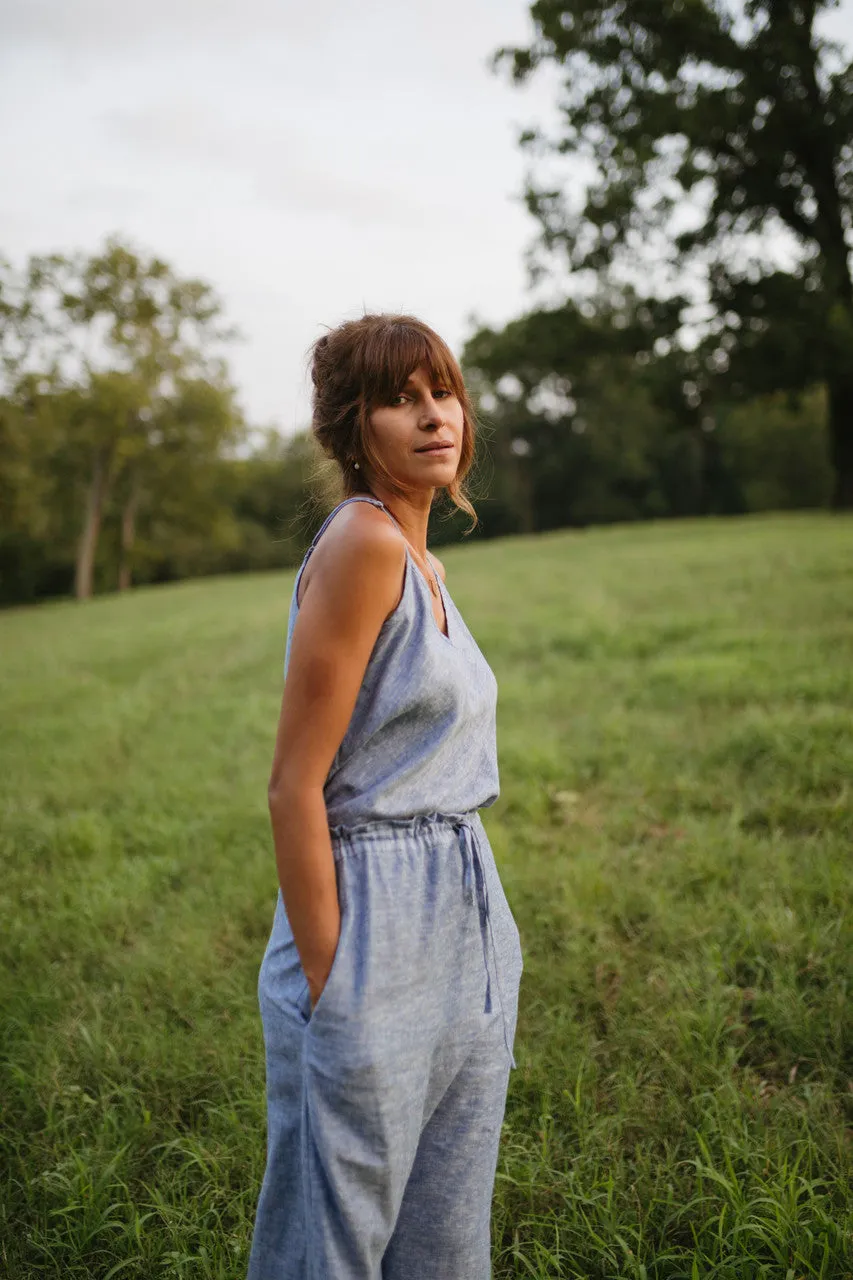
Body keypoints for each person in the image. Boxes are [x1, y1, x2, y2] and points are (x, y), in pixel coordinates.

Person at [246, 313, 523, 1279]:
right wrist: (333, 985)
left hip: (465, 919)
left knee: (443, 1239)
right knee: (334, 1245)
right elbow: (292, 787)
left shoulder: (426, 561)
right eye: (399, 400)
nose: (433, 416)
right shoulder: (363, 545)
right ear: (349, 428)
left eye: (441, 391)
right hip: (370, 924)